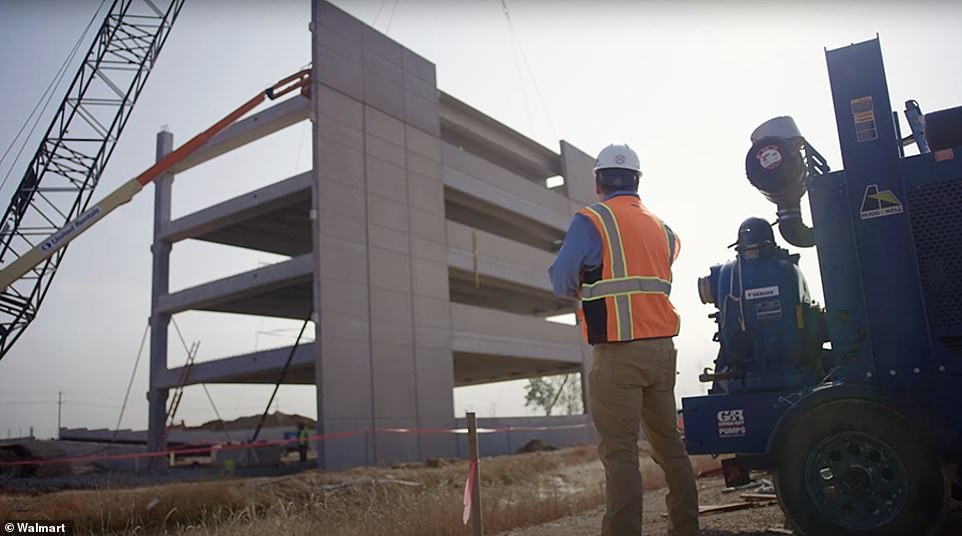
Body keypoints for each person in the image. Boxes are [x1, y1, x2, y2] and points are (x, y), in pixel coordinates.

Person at [548, 144, 698, 536]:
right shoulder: (665, 231)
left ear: (598, 182)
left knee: (620, 454)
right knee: (670, 446)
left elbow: (561, 278)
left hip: (618, 350)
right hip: (663, 350)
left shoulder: (591, 220)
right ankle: (686, 528)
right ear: (637, 181)